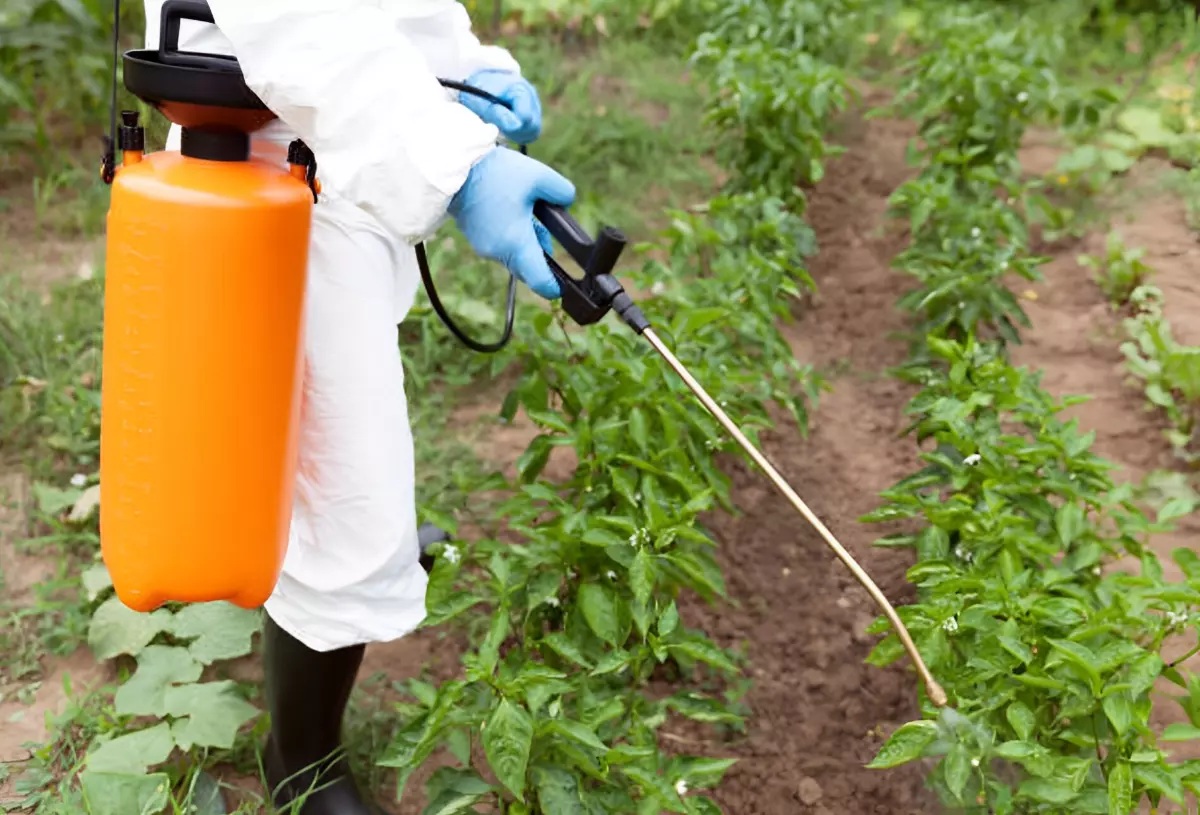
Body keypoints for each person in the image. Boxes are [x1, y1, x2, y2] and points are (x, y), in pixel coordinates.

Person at [139, 1, 575, 812]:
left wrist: (463, 66)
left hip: (341, 154)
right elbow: (299, 21)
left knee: (333, 417)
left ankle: (351, 552)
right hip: (270, 162)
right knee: (345, 485)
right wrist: (460, 167)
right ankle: (299, 763)